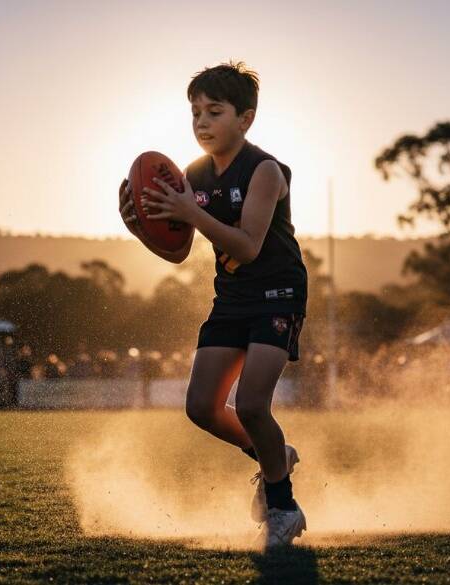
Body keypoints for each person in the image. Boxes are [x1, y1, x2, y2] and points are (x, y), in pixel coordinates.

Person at [118, 61, 308, 547]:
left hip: (277, 293)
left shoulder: (265, 170)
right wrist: (140, 226)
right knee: (202, 407)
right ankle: (275, 457)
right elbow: (178, 251)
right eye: (195, 112)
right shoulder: (193, 174)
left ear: (244, 120)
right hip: (233, 297)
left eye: (214, 111)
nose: (201, 122)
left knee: (249, 404)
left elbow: (246, 245)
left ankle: (282, 506)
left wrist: (190, 210)